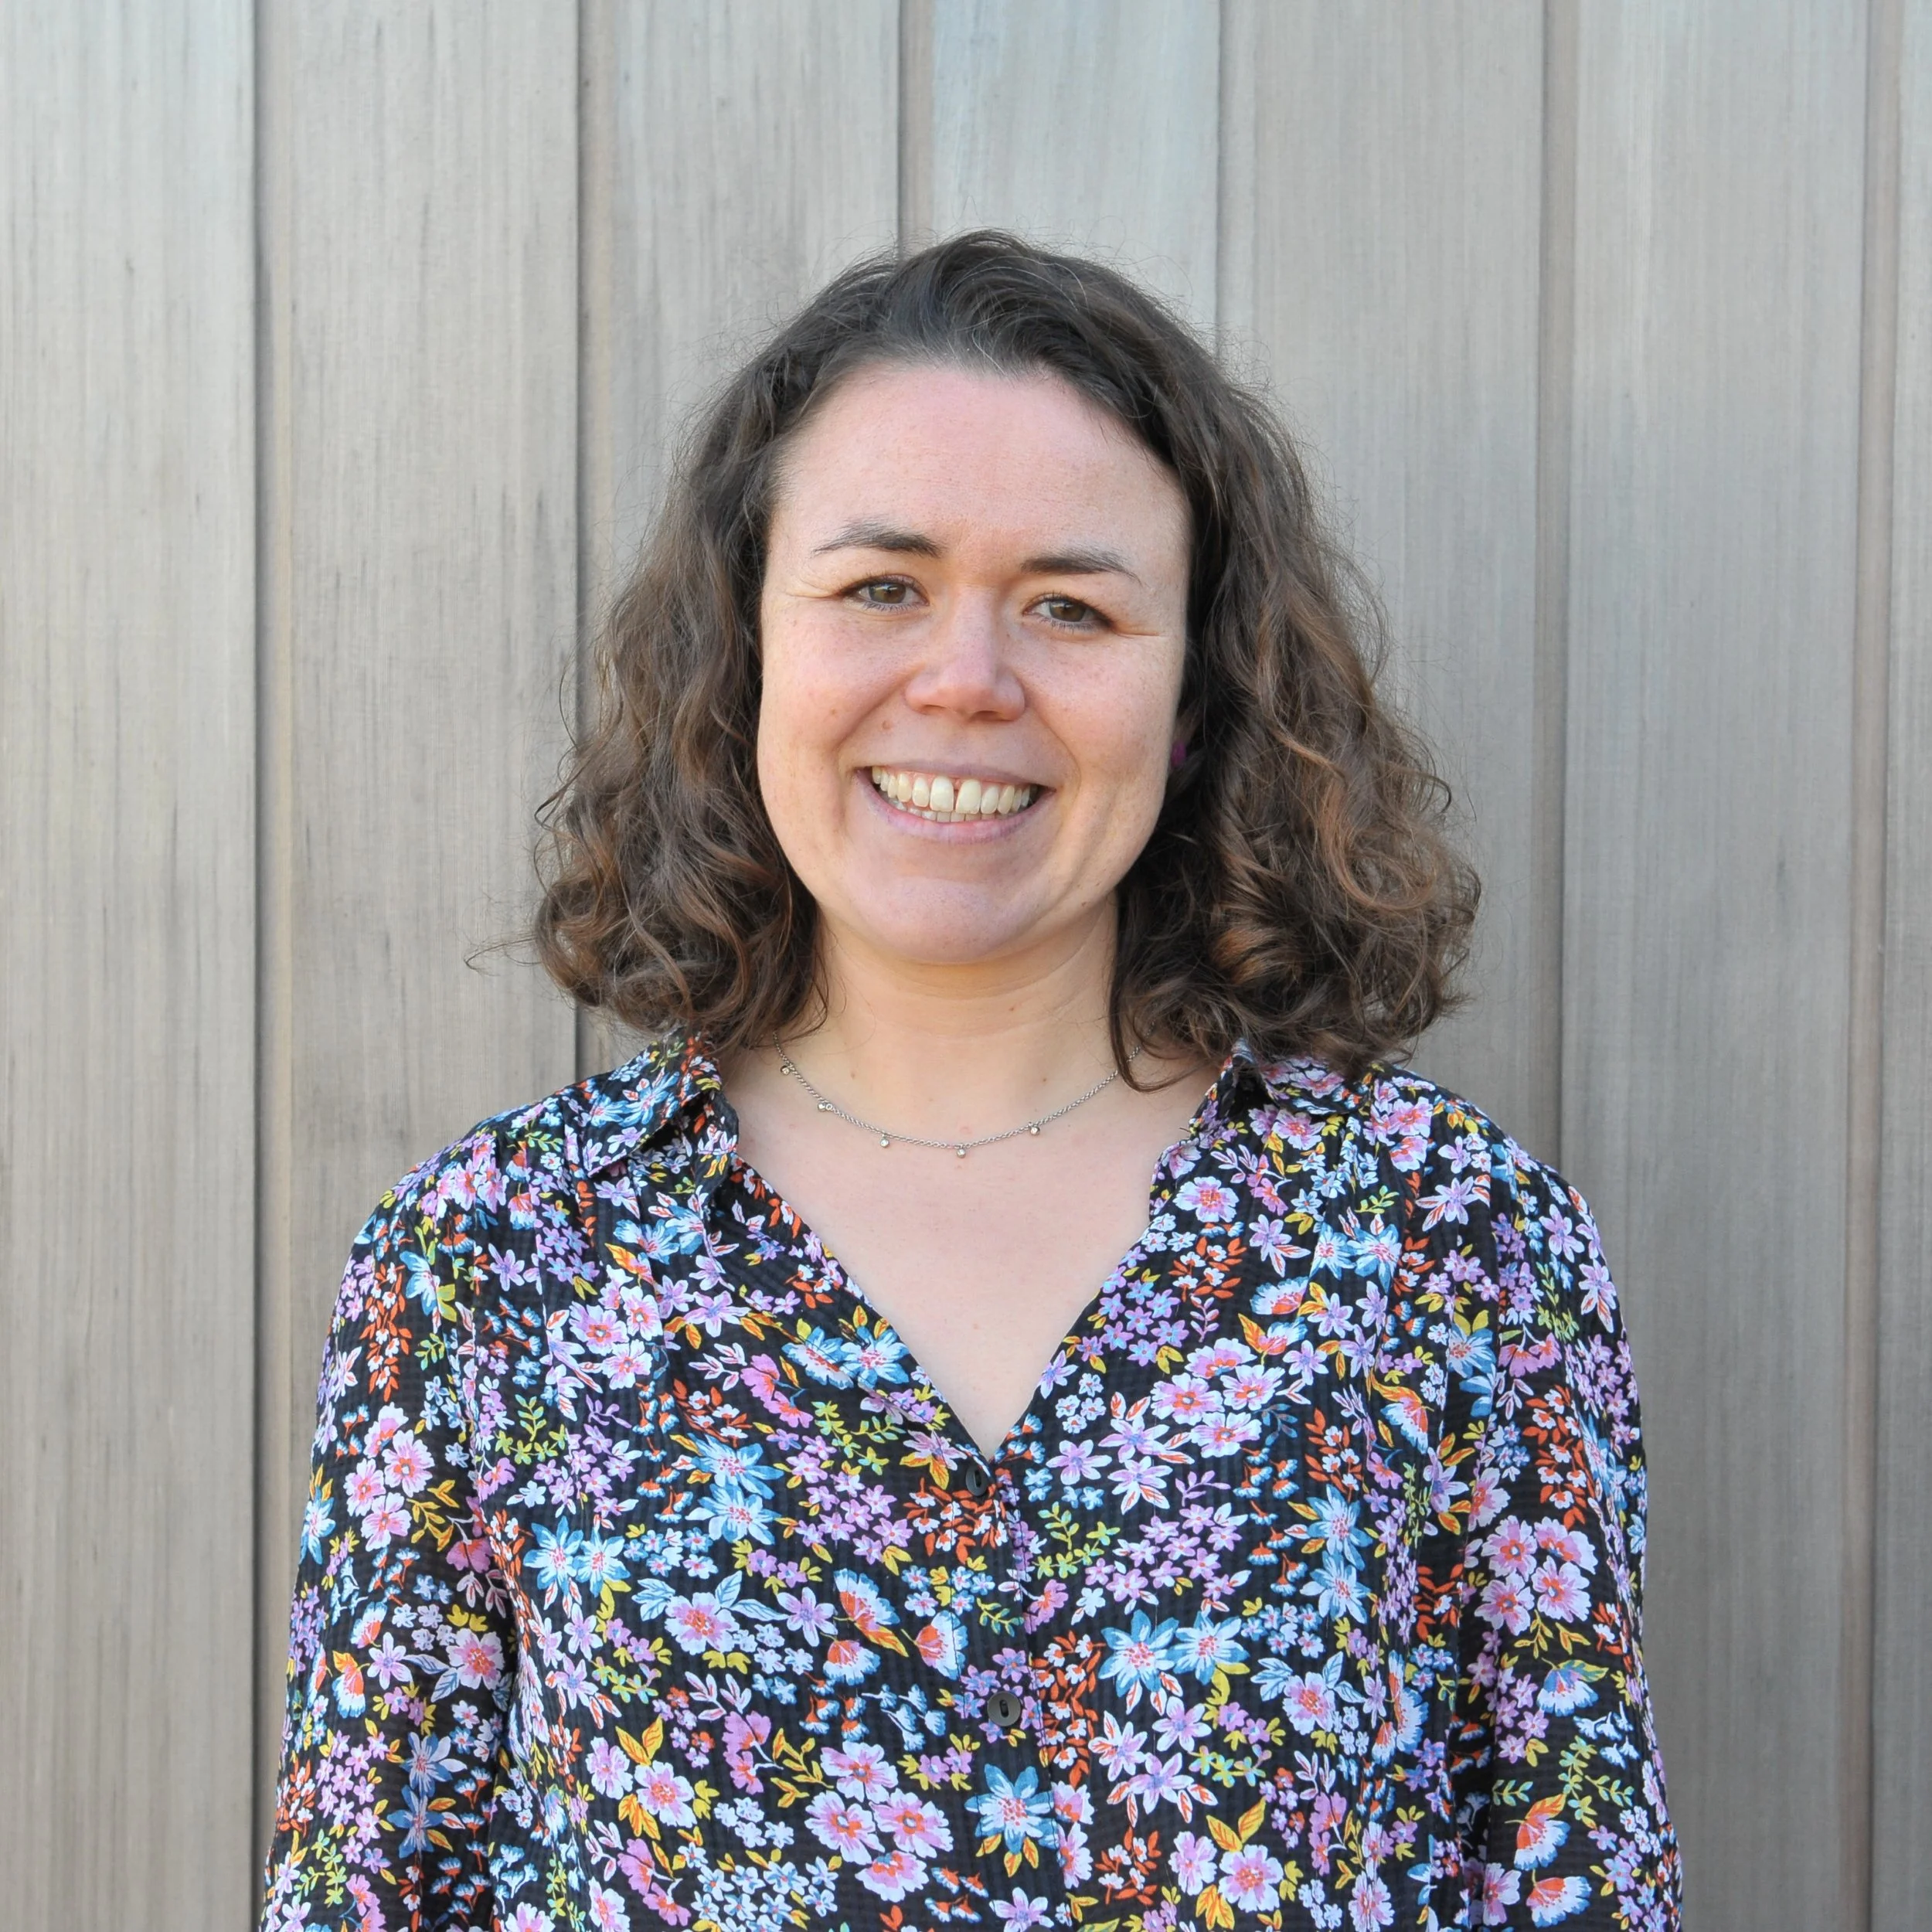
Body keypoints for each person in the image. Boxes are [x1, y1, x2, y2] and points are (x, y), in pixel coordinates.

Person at [260, 233, 1680, 1932]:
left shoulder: (1452, 1244)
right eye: (880, 586)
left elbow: (1578, 1878)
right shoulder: (487, 1262)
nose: (965, 680)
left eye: (1070, 606)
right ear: (747, 649)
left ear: (1197, 693)